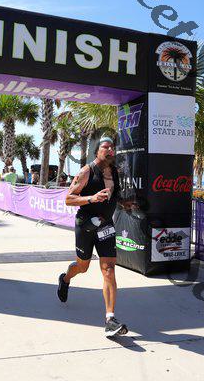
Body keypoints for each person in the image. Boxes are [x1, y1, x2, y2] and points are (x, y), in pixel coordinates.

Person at [57, 137, 127, 337]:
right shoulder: (86, 171)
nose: (110, 149)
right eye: (106, 147)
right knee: (82, 267)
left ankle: (110, 319)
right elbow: (68, 199)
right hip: (86, 226)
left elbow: (113, 198)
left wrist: (125, 204)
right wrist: (91, 198)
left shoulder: (115, 173)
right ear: (97, 151)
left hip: (106, 226)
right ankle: (65, 279)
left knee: (109, 270)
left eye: (112, 147)